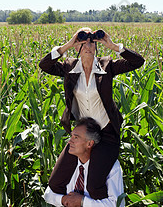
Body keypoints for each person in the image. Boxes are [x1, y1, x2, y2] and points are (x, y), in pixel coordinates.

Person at [39, 27, 144, 200]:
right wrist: (68, 44)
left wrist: (114, 46)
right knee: (55, 181)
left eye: (92, 42)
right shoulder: (69, 67)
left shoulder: (107, 66)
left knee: (94, 185)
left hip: (106, 134)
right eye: (83, 41)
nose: (88, 45)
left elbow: (138, 62)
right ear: (77, 46)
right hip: (82, 135)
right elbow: (44, 65)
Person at [43, 117, 125, 207]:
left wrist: (82, 202)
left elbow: (117, 204)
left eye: (76, 137)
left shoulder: (110, 166)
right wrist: (63, 199)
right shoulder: (68, 162)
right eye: (71, 136)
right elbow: (48, 193)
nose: (69, 141)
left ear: (89, 143)